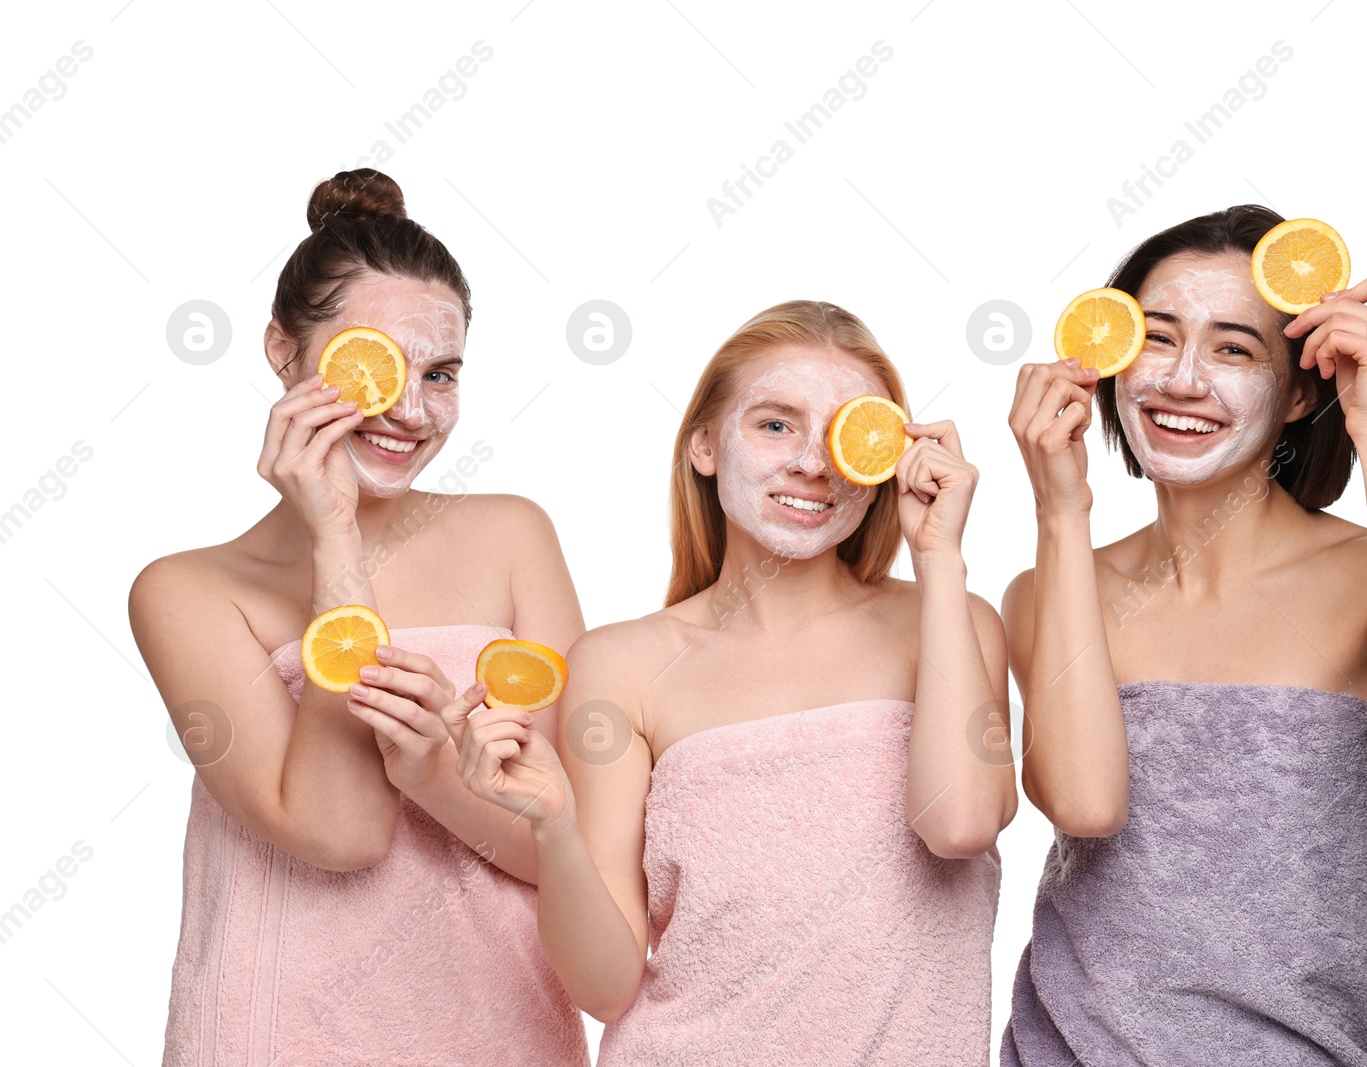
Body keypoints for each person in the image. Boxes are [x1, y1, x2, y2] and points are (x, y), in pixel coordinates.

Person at [1000, 204, 1367, 1066]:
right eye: (1157, 338)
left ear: (1303, 388)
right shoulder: (1048, 590)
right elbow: (1084, 804)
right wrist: (1060, 510)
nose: (1183, 379)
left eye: (1234, 348)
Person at [452, 300, 1014, 1065]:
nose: (812, 462)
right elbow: (607, 988)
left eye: (846, 432)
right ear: (705, 445)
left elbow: (962, 824)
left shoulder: (954, 621)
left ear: (885, 458)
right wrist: (554, 831)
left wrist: (941, 557)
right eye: (776, 424)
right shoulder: (622, 665)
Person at [128, 169, 588, 1066]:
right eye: (373, 364)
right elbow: (340, 833)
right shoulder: (185, 592)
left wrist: (434, 774)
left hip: (499, 1033)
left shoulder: (512, 536)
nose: (411, 412)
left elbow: (576, 849)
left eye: (442, 374)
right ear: (281, 350)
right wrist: (335, 536)